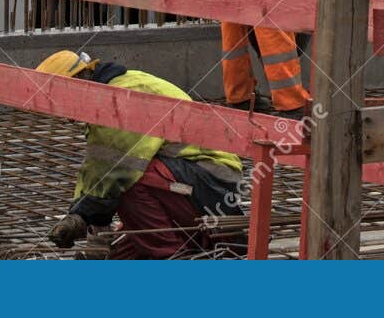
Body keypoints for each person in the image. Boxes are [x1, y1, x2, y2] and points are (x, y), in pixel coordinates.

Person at [38, 50, 244, 259]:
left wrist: (86, 216)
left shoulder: (117, 99)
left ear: (75, 85)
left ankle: (173, 257)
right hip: (187, 180)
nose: (61, 115)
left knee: (132, 183)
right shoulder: (106, 97)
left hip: (210, 180)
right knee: (118, 258)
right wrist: (77, 214)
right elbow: (95, 169)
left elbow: (118, 172)